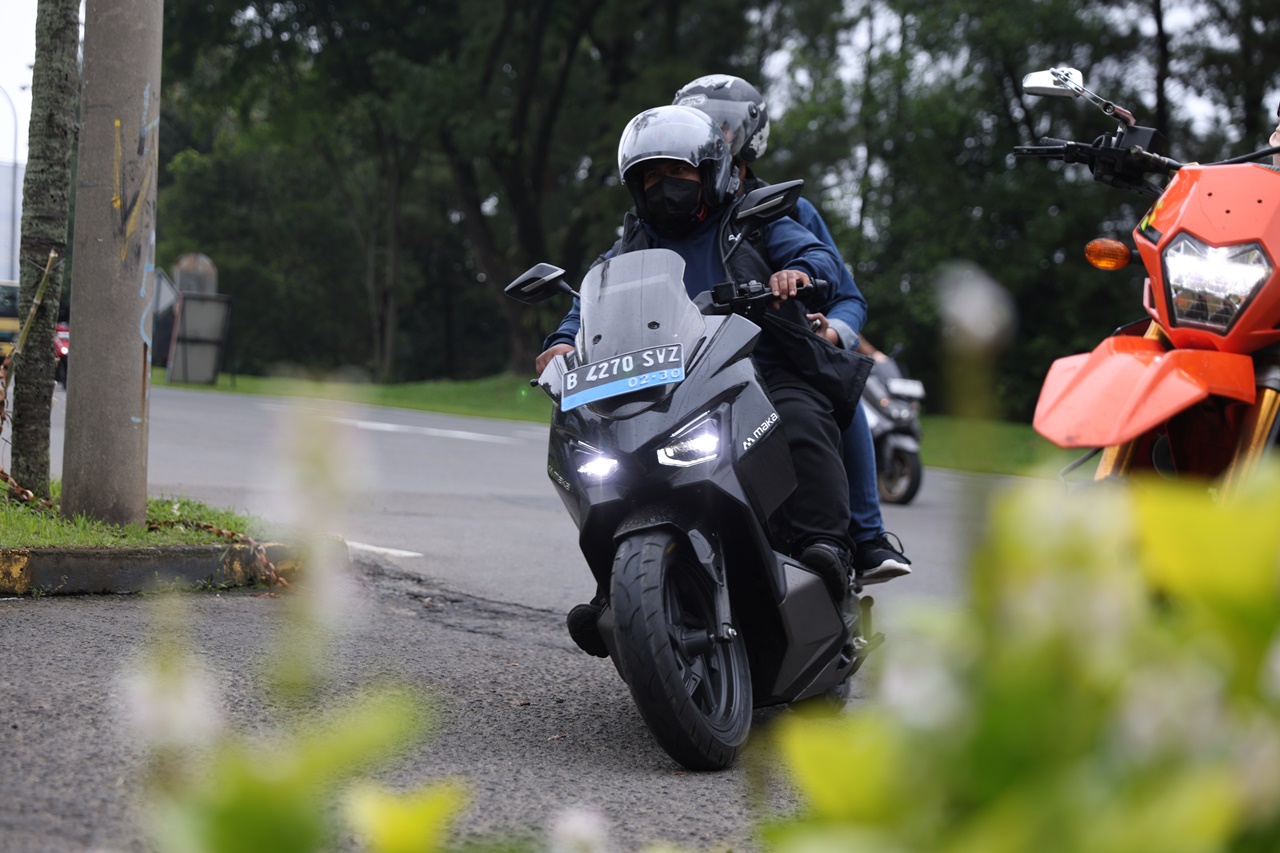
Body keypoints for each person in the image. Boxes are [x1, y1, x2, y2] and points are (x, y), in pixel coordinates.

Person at [537, 105, 859, 655]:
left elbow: (814, 255)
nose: (664, 188)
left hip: (760, 366)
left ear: (709, 172)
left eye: (677, 174)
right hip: (667, 382)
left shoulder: (753, 217)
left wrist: (797, 274)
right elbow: (586, 306)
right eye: (651, 178)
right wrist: (561, 343)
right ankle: (614, 589)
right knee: (596, 450)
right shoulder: (630, 245)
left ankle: (824, 548)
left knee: (802, 416)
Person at [673, 73, 912, 584]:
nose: (711, 137)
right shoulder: (658, 219)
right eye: (696, 126)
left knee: (832, 390)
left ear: (748, 136)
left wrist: (828, 331)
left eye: (721, 127)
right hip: (683, 371)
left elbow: (843, 292)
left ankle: (863, 536)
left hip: (773, 360)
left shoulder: (786, 208)